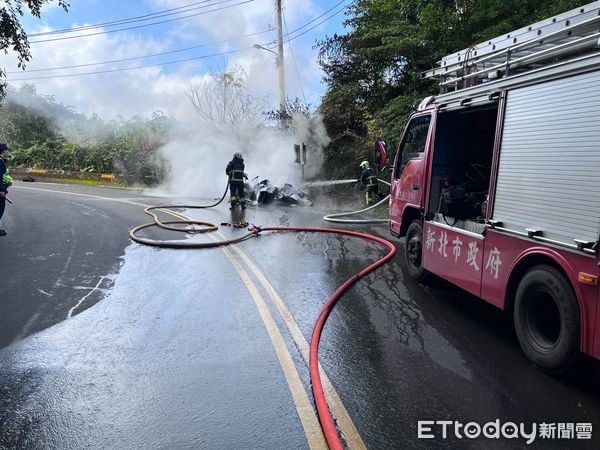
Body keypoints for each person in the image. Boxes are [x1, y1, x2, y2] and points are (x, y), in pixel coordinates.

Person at [0, 144, 13, 236]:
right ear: (2, 151)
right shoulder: (0, 162)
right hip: (0, 190)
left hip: (2, 188)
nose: (7, 151)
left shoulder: (2, 161)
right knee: (0, 209)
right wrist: (1, 190)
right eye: (6, 150)